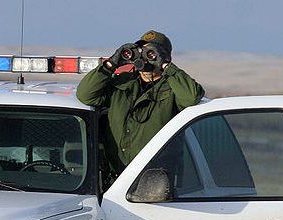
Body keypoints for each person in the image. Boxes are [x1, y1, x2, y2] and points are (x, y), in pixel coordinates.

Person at [76, 30, 205, 187]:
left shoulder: (173, 89)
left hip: (154, 184)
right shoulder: (122, 84)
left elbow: (191, 97)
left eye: (151, 53)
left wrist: (166, 66)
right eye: (141, 51)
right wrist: (111, 64)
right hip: (115, 180)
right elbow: (85, 94)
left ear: (165, 57)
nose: (145, 57)